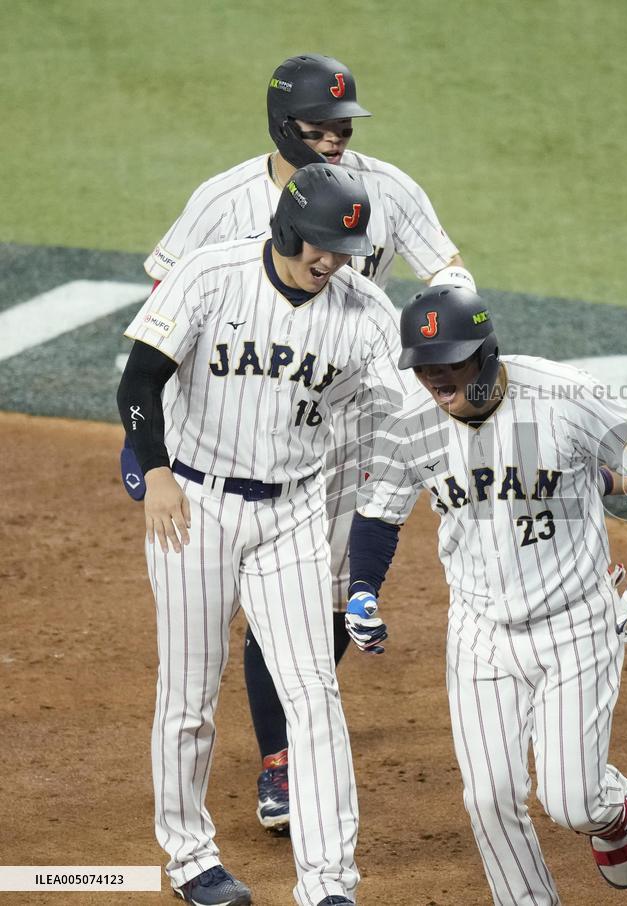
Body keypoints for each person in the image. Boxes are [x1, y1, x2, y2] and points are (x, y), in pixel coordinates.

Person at [138, 51, 471, 834]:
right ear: (283, 124)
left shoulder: (385, 190)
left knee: (315, 598)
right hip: (228, 426)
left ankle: (282, 752)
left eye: (344, 128)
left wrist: (445, 335)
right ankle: (277, 756)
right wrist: (147, 444)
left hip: (345, 419)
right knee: (221, 631)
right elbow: (164, 308)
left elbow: (448, 270)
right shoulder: (222, 203)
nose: (337, 142)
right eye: (322, 130)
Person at [117, 163, 410, 906]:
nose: (331, 262)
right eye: (320, 246)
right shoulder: (211, 276)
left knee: (314, 695)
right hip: (195, 510)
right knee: (188, 694)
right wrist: (154, 476)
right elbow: (140, 379)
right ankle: (190, 859)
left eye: (343, 251)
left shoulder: (367, 312)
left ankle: (329, 883)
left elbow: (410, 418)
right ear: (287, 227)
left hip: (294, 517)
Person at [343, 283, 627, 904]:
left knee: (571, 800)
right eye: (424, 367)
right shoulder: (411, 425)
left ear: (487, 353)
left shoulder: (562, 394)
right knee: (489, 797)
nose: (436, 379)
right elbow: (378, 515)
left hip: (576, 623)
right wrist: (363, 589)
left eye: (449, 362)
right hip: (478, 634)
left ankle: (608, 815)